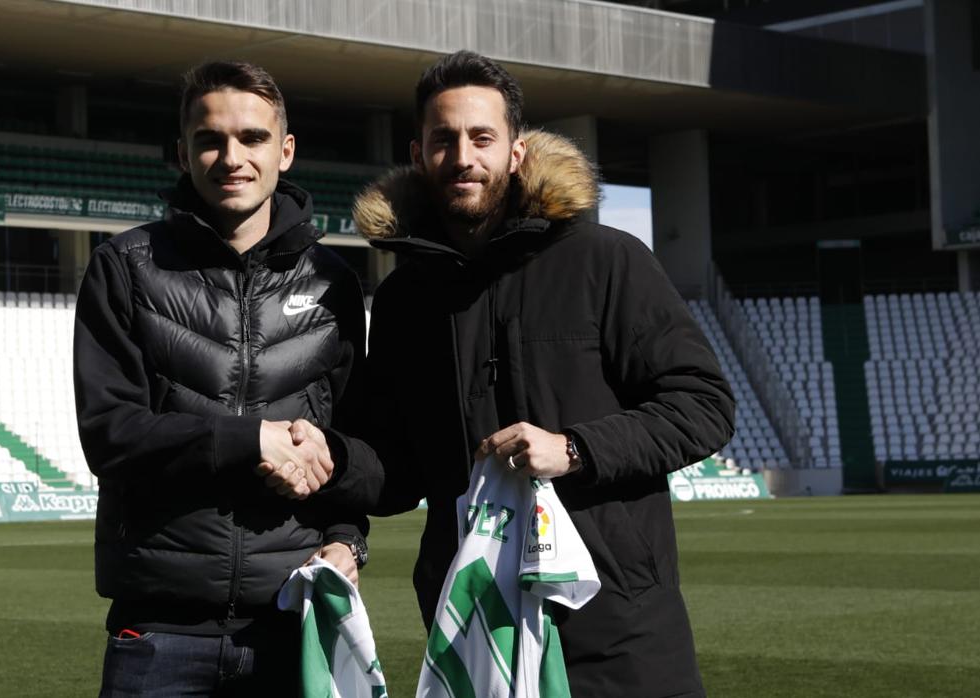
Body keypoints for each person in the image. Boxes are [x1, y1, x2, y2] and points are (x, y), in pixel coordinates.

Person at [354, 51, 736, 697]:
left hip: (617, 624)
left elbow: (704, 404)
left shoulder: (606, 260)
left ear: (517, 152)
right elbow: (393, 466)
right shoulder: (403, 298)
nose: (463, 156)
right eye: (444, 140)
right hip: (475, 623)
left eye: (482, 137)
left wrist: (575, 448)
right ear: (419, 155)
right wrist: (325, 469)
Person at [74, 61, 379, 697]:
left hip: (294, 624)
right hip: (158, 635)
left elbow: (359, 450)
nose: (230, 156)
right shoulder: (124, 268)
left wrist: (349, 541)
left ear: (285, 151)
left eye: (253, 138)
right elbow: (110, 436)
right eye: (210, 139)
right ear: (182, 153)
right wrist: (250, 440)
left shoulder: (335, 285)